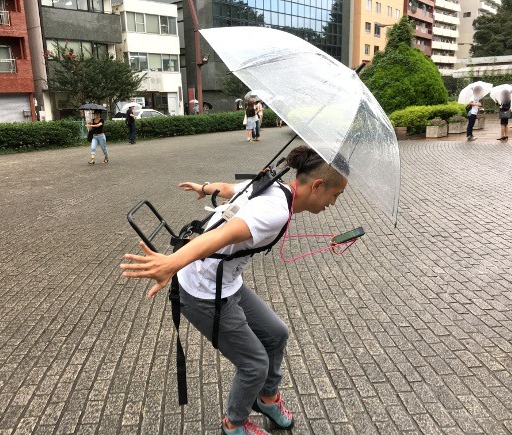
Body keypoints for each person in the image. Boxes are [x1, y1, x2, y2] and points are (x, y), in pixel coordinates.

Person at [120, 146, 348, 435]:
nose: (334, 203)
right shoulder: (275, 212)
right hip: (203, 292)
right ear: (317, 186)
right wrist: (171, 263)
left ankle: (266, 399)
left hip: (228, 283)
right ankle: (235, 423)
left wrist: (203, 187)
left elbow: (229, 189)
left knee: (276, 335)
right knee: (254, 363)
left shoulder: (274, 185)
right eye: (336, 195)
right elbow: (221, 235)